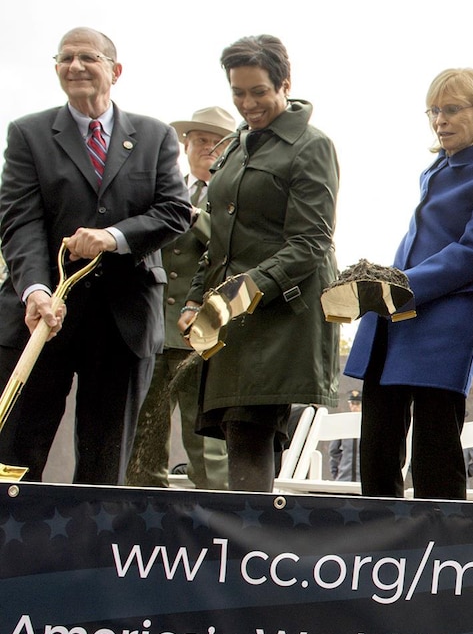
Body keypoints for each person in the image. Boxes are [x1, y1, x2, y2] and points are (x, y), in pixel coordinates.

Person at [0, 27, 191, 484]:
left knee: (105, 463)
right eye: (64, 58)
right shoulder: (28, 134)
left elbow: (175, 210)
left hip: (123, 322)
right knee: (17, 455)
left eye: (87, 57)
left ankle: (88, 555)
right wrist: (36, 290)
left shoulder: (155, 136)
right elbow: (18, 220)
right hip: (42, 319)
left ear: (115, 70)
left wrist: (113, 236)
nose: (74, 66)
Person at [345, 68, 473, 499]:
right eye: (433, 111)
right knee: (377, 452)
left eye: (451, 109)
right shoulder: (434, 171)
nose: (439, 120)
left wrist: (398, 284)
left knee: (435, 455)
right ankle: (377, 551)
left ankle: (443, 556)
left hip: (441, 329)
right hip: (393, 320)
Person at [179, 35, 340, 492]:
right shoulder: (235, 147)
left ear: (284, 85)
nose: (248, 103)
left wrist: (238, 293)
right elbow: (218, 240)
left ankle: (247, 552)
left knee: (249, 429)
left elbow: (311, 242)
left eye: (259, 91)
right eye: (238, 92)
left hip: (279, 320)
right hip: (230, 320)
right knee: (238, 433)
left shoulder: (311, 146)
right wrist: (195, 299)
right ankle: (252, 549)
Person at [127, 106, 235, 490]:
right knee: (144, 432)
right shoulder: (165, 190)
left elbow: (235, 249)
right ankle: (140, 518)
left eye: (217, 142)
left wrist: (195, 219)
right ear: (185, 145)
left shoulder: (233, 193)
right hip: (152, 328)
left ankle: (215, 523)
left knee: (205, 438)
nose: (209, 148)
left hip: (203, 331)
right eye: (200, 139)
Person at [328, 389, 362, 482]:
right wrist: (338, 471)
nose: (354, 407)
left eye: (357, 404)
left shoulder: (369, 426)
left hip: (364, 479)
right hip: (344, 477)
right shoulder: (344, 424)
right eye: (352, 404)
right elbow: (333, 451)